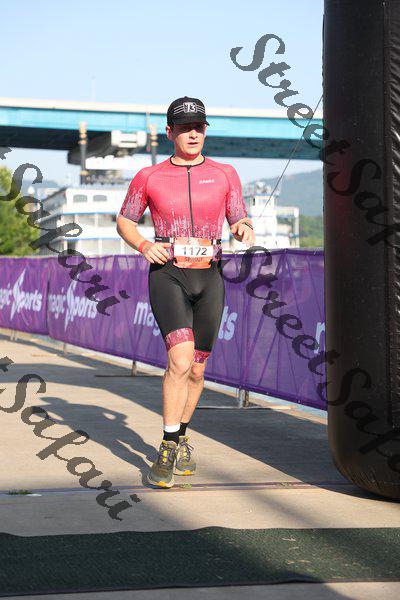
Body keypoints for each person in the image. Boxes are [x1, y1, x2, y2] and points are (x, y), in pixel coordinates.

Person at [116, 96, 255, 488]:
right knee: (178, 361)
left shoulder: (226, 173)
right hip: (169, 275)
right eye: (184, 127)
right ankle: (166, 446)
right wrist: (144, 245)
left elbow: (240, 217)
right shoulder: (149, 176)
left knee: (197, 368)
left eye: (199, 127)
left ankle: (181, 436)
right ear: (170, 132)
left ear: (205, 130)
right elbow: (125, 221)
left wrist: (243, 228)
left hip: (210, 278)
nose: (193, 133)